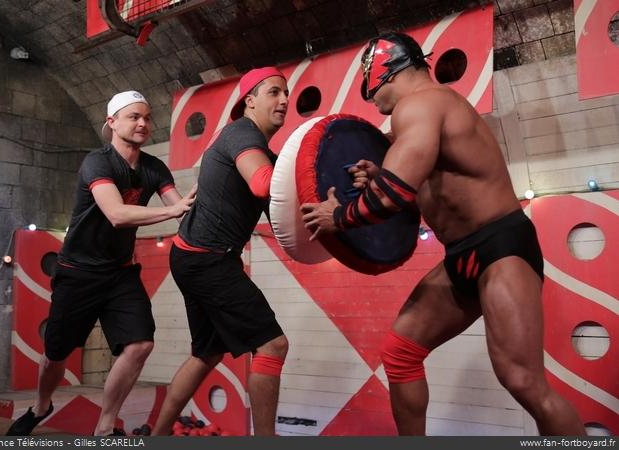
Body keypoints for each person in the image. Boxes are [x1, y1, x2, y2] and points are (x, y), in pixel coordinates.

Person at [301, 33, 585, 436]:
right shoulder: (427, 112)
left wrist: (339, 215)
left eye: (372, 92)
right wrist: (380, 176)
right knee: (400, 353)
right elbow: (425, 194)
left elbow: (393, 196)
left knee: (524, 382)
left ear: (382, 74)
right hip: (461, 255)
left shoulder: (419, 105)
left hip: (500, 247)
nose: (373, 103)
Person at [6, 90, 196, 436]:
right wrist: (174, 209)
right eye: (133, 117)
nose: (142, 123)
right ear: (112, 122)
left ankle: (106, 426)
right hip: (78, 272)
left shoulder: (154, 167)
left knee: (140, 344)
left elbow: (183, 210)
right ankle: (41, 405)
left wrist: (203, 213)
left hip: (120, 273)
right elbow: (117, 214)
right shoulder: (98, 161)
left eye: (147, 117)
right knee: (55, 355)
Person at [151, 67, 290, 436]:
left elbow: (282, 220)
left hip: (194, 257)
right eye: (274, 92)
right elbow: (264, 184)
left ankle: (159, 434)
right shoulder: (243, 134)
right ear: (250, 101)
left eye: (286, 93)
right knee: (272, 345)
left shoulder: (260, 150)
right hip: (205, 259)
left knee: (206, 354)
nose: (285, 101)